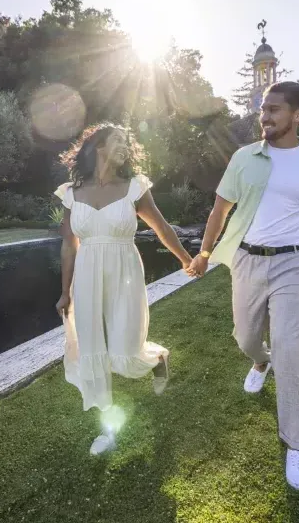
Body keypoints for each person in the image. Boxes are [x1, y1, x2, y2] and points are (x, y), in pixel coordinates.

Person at [187, 81, 299, 491]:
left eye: (274, 109)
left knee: (294, 353)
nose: (265, 116)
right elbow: (220, 209)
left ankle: (297, 445)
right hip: (247, 259)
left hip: (296, 264)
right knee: (244, 337)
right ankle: (261, 361)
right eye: (263, 109)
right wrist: (205, 252)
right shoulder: (245, 158)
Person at [54, 123, 193, 455]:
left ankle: (157, 358)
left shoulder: (134, 188)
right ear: (98, 147)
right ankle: (108, 429)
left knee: (126, 351)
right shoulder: (72, 193)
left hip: (125, 272)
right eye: (119, 141)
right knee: (92, 350)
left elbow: (161, 227)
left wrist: (187, 260)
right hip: (86, 275)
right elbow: (68, 246)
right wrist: (64, 290)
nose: (126, 147)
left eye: (128, 143)